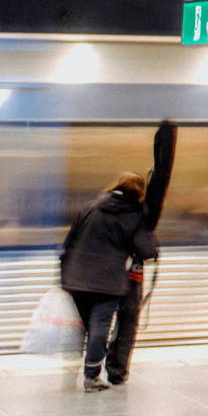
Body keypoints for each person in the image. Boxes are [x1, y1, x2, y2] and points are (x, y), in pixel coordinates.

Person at [58, 131, 171, 392]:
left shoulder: (90, 207)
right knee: (100, 326)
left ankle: (85, 364)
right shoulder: (133, 215)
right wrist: (152, 248)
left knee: (88, 326)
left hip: (76, 278)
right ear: (139, 192)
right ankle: (91, 376)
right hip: (107, 280)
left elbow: (69, 241)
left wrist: (63, 276)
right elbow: (144, 249)